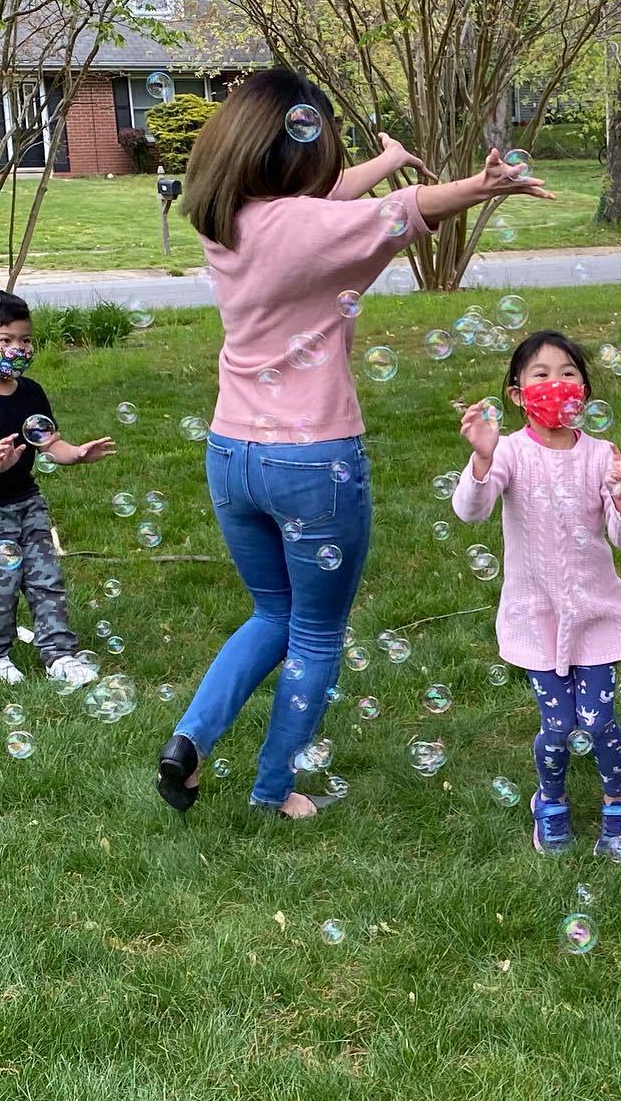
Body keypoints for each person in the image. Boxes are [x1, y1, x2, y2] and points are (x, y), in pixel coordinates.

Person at [155, 69, 550, 818]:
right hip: (311, 462)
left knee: (270, 612)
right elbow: (400, 214)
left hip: (231, 454)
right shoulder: (301, 229)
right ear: (290, 150)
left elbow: (328, 203)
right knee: (314, 631)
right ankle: (272, 790)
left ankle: (190, 741)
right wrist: (482, 185)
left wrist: (389, 156)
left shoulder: (225, 217)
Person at [452, 330, 621, 856]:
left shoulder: (601, 455)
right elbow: (471, 511)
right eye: (540, 375)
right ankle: (552, 800)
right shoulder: (510, 454)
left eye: (567, 373)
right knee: (559, 725)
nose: (555, 383)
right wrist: (481, 458)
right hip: (536, 615)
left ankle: (618, 800)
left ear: (584, 390)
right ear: (517, 394)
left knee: (599, 720)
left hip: (595, 614)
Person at [0, 291, 114, 687]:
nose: (17, 349)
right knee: (1, 583)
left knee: (45, 578)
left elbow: (49, 442)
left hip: (26, 501)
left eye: (24, 340)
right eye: (5, 341)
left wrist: (75, 454)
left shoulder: (31, 393)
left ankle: (60, 654)